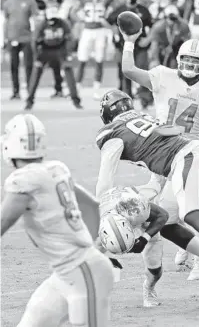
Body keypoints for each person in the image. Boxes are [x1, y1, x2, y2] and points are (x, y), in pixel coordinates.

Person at [1, 113, 114, 327]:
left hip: (83, 271)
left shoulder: (22, 181)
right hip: (66, 274)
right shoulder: (57, 169)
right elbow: (91, 206)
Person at [121, 22, 199, 279]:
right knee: (166, 217)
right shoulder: (163, 75)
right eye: (187, 60)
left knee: (186, 210)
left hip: (188, 154)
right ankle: (197, 255)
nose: (190, 65)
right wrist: (130, 40)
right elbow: (128, 70)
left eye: (196, 62)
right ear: (178, 59)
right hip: (161, 154)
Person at [95, 90, 199, 286]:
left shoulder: (111, 133)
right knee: (168, 223)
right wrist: (150, 191)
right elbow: (159, 166)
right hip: (184, 158)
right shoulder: (144, 117)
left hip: (186, 157)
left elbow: (105, 176)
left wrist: (105, 208)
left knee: (190, 213)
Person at [97, 186, 199, 307]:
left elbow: (163, 215)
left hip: (140, 217)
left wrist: (144, 238)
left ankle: (149, 287)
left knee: (155, 269)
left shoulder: (134, 208)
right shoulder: (92, 225)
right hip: (110, 220)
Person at [25, 1, 82, 110]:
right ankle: (29, 101)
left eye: (54, 18)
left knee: (68, 69)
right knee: (36, 70)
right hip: (45, 50)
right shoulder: (41, 24)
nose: (52, 21)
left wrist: (68, 53)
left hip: (60, 50)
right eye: (50, 18)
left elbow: (70, 38)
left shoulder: (64, 23)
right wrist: (37, 57)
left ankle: (76, 100)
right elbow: (34, 41)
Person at [106, 0, 153, 108]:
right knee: (125, 72)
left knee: (142, 70)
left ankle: (145, 99)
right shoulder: (119, 9)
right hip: (124, 45)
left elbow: (153, 26)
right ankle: (127, 101)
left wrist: (148, 39)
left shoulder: (143, 10)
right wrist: (115, 33)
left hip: (140, 45)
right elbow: (109, 21)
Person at [75, 0, 115, 100]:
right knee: (82, 59)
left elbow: (112, 2)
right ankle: (76, 89)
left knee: (99, 60)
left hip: (100, 30)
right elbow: (74, 11)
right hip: (87, 29)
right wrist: (79, 17)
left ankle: (96, 90)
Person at [3, 0, 37, 99]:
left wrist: (34, 36)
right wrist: (5, 38)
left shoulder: (29, 1)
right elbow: (6, 21)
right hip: (13, 38)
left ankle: (29, 90)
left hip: (26, 38)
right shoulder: (8, 3)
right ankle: (16, 91)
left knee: (28, 65)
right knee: (14, 66)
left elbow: (34, 19)